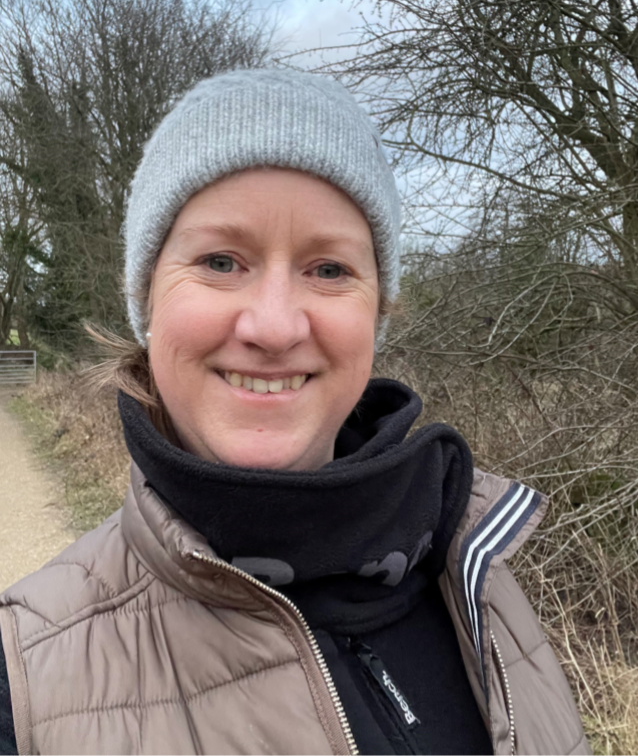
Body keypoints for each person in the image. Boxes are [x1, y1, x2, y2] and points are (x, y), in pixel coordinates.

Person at [0, 69, 591, 756]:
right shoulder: (25, 682)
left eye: (329, 269)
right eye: (221, 260)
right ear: (147, 301)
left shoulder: (482, 571)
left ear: (377, 311)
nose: (275, 326)